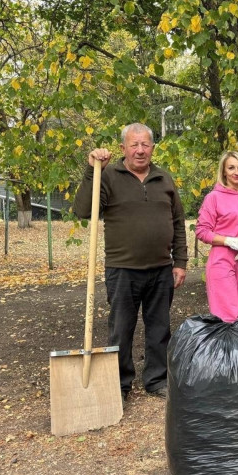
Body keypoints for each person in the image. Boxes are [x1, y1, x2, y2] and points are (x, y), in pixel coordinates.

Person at [74, 123, 187, 402]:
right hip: (122, 269)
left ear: (152, 148)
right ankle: (120, 383)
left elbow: (177, 222)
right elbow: (83, 210)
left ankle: (156, 379)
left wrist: (180, 261)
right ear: (123, 148)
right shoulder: (107, 176)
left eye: (145, 144)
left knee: (159, 328)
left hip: (161, 268)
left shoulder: (164, 178)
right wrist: (91, 170)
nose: (140, 150)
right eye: (134, 145)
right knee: (121, 329)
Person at [195, 151, 238, 322]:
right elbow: (202, 231)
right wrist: (228, 240)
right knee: (227, 316)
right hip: (221, 260)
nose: (236, 172)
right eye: (231, 168)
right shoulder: (214, 197)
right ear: (224, 171)